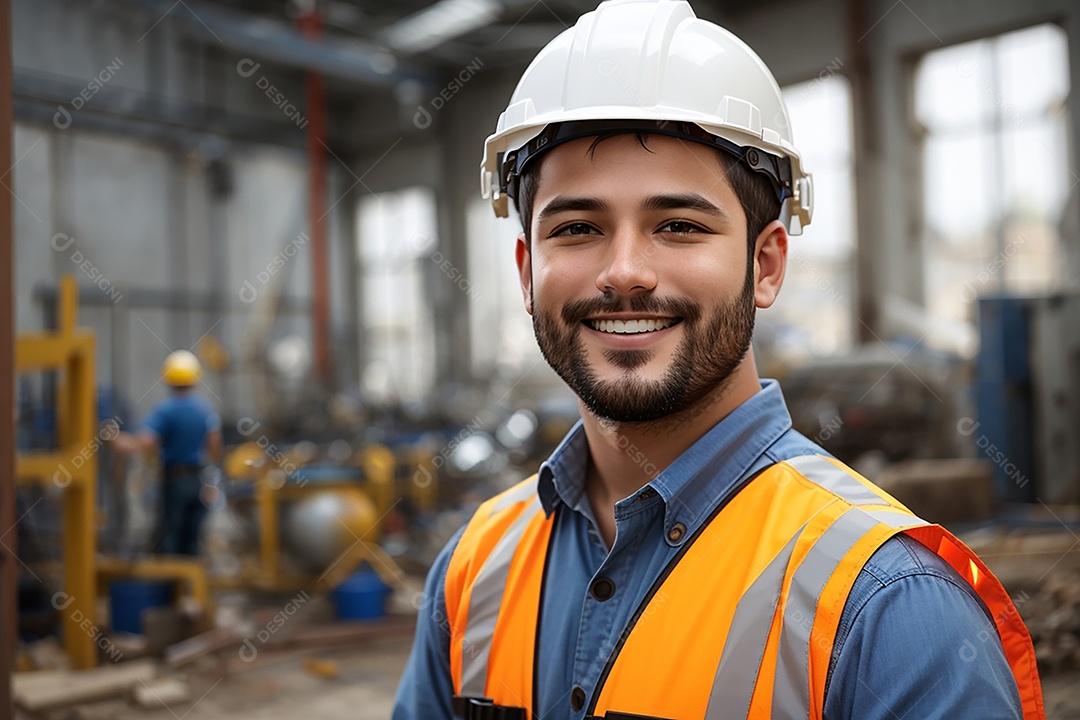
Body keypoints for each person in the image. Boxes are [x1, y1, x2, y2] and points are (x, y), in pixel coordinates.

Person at [394, 1, 1044, 718]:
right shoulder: (473, 571)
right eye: (577, 228)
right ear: (526, 272)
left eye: (678, 225)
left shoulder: (890, 611)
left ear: (765, 265)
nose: (625, 273)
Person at [112, 350, 223, 556]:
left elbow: (145, 440)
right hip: (199, 481)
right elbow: (215, 444)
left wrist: (117, 440)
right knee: (192, 541)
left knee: (170, 539)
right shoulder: (205, 409)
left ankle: (172, 586)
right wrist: (212, 480)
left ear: (168, 379)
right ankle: (191, 585)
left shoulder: (167, 410)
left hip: (175, 482)